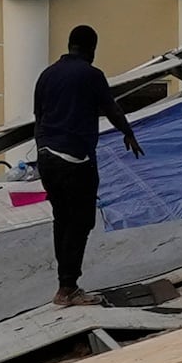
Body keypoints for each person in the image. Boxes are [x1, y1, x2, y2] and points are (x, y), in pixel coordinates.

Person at [32, 24, 143, 309]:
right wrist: (128, 133)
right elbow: (112, 109)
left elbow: (38, 117)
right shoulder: (92, 75)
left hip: (46, 157)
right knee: (80, 223)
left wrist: (42, 151)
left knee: (62, 220)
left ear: (70, 46)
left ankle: (64, 285)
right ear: (91, 48)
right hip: (74, 160)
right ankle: (68, 289)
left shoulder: (46, 75)